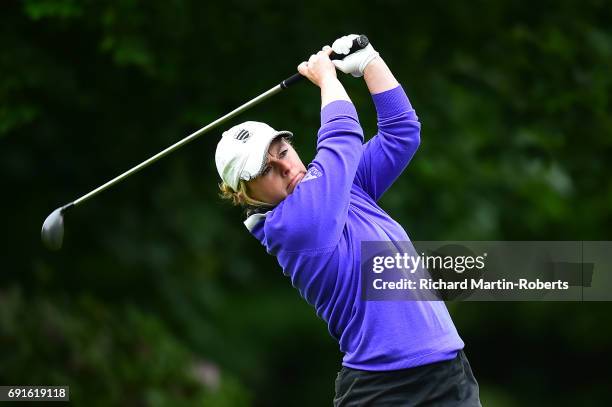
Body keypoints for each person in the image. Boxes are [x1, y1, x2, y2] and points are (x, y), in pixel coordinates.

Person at [215, 34, 481, 406]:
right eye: (266, 170)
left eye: (283, 151)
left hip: (448, 371)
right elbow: (342, 137)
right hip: (383, 391)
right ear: (245, 195)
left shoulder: (342, 188)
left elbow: (401, 133)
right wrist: (328, 80)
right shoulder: (291, 226)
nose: (285, 166)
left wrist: (369, 62)